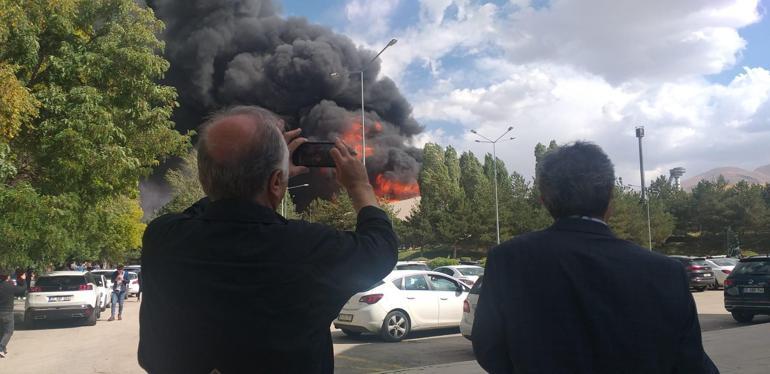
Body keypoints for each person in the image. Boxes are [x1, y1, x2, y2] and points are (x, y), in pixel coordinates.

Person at [139, 106, 398, 373]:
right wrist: (359, 186)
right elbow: (381, 247)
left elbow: (208, 209)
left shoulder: (163, 239)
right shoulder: (309, 249)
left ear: (204, 180)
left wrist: (249, 179)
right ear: (276, 183)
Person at [472, 142, 718, 374]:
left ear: (544, 201)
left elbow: (489, 348)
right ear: (611, 196)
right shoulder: (665, 272)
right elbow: (690, 362)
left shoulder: (507, 261)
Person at [0, 270, 26, 358]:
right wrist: (23, 280)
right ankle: (1, 347)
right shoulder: (10, 286)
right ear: (8, 277)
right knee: (9, 331)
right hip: (7, 312)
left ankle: (3, 349)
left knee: (1, 331)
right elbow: (21, 290)